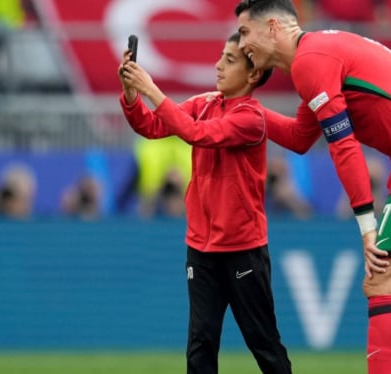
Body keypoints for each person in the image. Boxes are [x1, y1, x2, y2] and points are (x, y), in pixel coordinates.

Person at [234, 1, 391, 373]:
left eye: (244, 32)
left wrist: (367, 227)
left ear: (272, 28)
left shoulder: (311, 61)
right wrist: (247, 109)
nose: (241, 45)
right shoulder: (319, 56)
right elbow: (303, 137)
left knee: (382, 282)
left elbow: (344, 145)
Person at [118, 32, 291, 374]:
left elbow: (199, 135)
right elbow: (150, 126)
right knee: (200, 343)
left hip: (243, 248)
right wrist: (131, 92)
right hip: (202, 246)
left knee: (264, 344)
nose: (218, 65)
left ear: (253, 74)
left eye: (229, 60)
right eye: (221, 56)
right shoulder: (205, 103)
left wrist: (152, 88)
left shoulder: (252, 118)